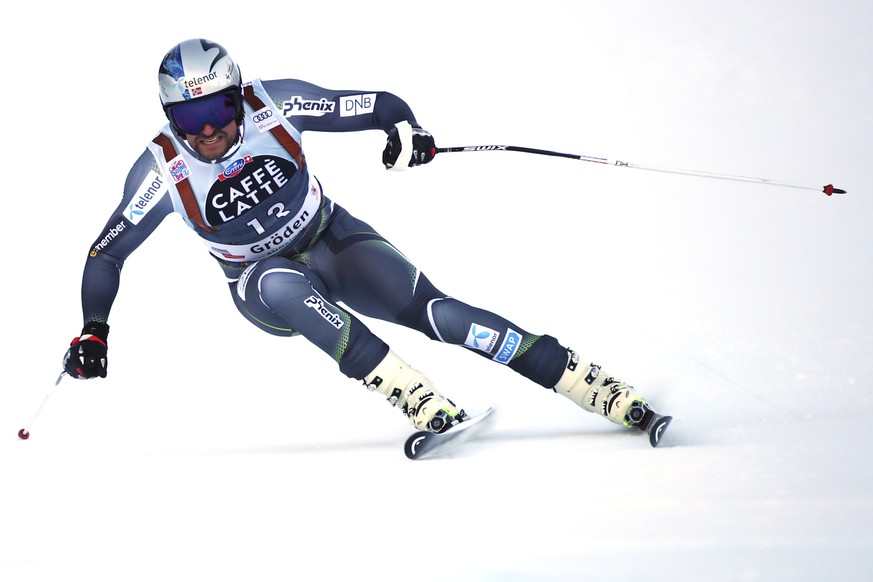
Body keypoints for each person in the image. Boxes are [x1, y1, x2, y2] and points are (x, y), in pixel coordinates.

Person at [63, 38, 668, 443]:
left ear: (238, 93)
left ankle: (588, 383)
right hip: (259, 282)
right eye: (193, 120)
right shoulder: (160, 172)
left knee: (444, 316)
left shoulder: (274, 103)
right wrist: (95, 327)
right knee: (279, 280)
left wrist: (407, 131)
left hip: (332, 236)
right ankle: (414, 396)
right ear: (172, 120)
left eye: (221, 108)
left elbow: (376, 105)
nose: (214, 130)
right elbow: (106, 251)